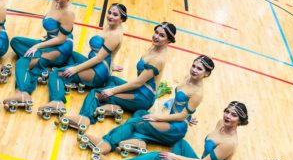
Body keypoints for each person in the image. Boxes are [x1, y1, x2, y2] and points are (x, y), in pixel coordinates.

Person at [97, 101, 245, 160]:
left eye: (233, 115)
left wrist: (174, 157)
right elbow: (221, 158)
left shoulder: (230, 142)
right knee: (180, 143)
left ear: (240, 121)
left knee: (159, 156)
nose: (228, 116)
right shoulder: (221, 123)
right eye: (227, 111)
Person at [86, 55, 214, 154]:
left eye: (199, 69)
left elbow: (181, 116)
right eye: (194, 66)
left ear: (207, 74)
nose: (194, 70)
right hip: (172, 120)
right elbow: (182, 104)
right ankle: (139, 142)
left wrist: (158, 117)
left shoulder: (198, 93)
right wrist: (189, 115)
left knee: (135, 122)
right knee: (140, 113)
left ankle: (107, 143)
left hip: (175, 128)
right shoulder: (188, 78)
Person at [67, 22, 176, 127]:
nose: (156, 36)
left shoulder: (158, 59)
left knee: (97, 93)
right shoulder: (155, 47)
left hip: (142, 97)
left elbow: (138, 83)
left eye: (161, 35)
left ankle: (84, 118)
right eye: (156, 32)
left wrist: (112, 91)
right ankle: (113, 107)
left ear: (169, 41)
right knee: (111, 80)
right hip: (140, 89)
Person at [38, 4, 126, 113]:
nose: (110, 16)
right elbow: (112, 52)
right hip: (98, 64)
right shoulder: (111, 26)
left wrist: (75, 69)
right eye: (109, 13)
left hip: (98, 72)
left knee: (56, 74)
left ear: (122, 19)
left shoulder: (115, 35)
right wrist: (111, 64)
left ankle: (57, 102)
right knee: (69, 54)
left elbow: (98, 58)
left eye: (115, 15)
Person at [4, 0, 75, 108]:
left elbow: (61, 39)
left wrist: (37, 46)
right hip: (49, 42)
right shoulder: (56, 2)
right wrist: (49, 36)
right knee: (15, 41)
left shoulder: (69, 13)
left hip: (61, 48)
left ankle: (23, 92)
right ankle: (44, 64)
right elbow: (55, 25)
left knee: (23, 61)